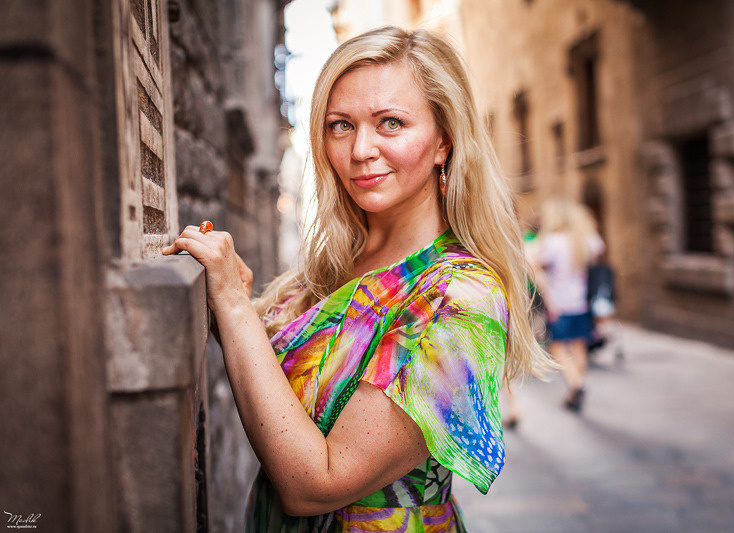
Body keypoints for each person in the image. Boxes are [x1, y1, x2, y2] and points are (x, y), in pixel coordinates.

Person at [162, 26, 554, 532]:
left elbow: (316, 483)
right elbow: (274, 375)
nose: (360, 149)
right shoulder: (334, 262)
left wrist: (235, 307)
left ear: (444, 143)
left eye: (391, 123)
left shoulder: (459, 294)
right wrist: (228, 297)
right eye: (340, 125)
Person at [529, 199, 604, 413]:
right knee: (579, 345)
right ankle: (578, 383)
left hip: (559, 303)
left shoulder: (553, 242)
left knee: (558, 347)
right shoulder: (586, 239)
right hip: (582, 301)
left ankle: (577, 385)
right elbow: (599, 251)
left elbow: (536, 264)